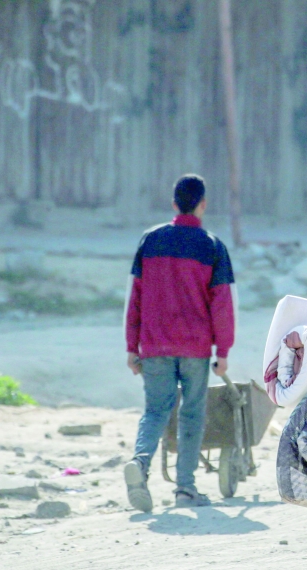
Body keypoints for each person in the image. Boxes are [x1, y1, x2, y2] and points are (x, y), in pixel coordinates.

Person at [123, 174, 236, 512]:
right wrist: (223, 351)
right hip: (195, 348)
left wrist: (132, 347)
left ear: (174, 204)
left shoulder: (150, 240)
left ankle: (140, 464)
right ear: (203, 204)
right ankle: (185, 489)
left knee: (155, 411)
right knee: (191, 415)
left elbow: (136, 298)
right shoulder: (212, 246)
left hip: (154, 345)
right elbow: (222, 304)